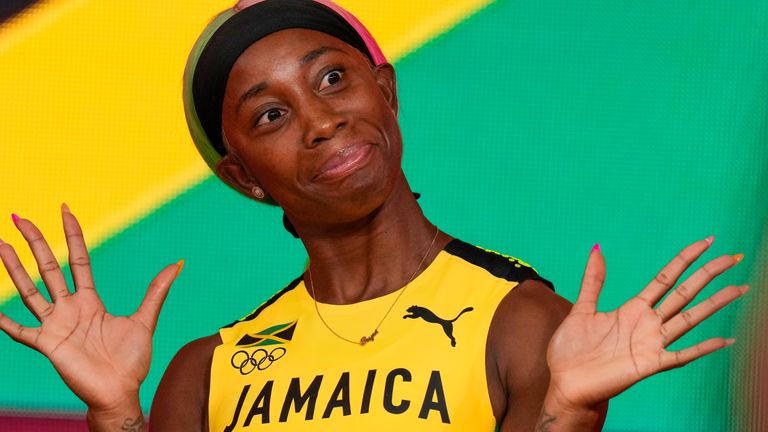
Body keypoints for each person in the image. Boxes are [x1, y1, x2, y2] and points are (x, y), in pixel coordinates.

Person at [0, 0, 748, 430]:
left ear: (385, 92)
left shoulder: (522, 325)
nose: (320, 121)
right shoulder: (205, 374)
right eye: (269, 116)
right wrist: (117, 417)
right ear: (243, 178)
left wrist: (568, 412)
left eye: (333, 77)